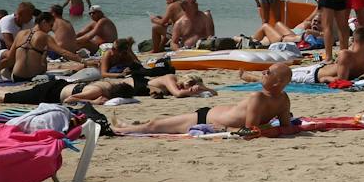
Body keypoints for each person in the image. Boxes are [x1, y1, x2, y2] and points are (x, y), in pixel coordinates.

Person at [115, 64, 295, 134]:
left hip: (206, 119)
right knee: (157, 123)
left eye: (268, 72)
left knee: (155, 125)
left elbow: (250, 132)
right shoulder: (283, 98)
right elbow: (286, 126)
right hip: (209, 114)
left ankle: (119, 130)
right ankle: (127, 126)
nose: (263, 72)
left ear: (277, 81)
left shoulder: (258, 97)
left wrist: (224, 128)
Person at [296, 30, 364, 85]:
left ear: (353, 40)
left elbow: (342, 80)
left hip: (313, 75)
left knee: (286, 75)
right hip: (313, 72)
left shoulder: (346, 54)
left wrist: (326, 78)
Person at [0, 1, 36, 71]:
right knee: (12, 54)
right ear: (20, 14)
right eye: (29, 15)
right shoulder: (7, 21)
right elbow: (9, 45)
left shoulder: (29, 22)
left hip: (12, 52)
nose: (31, 17)